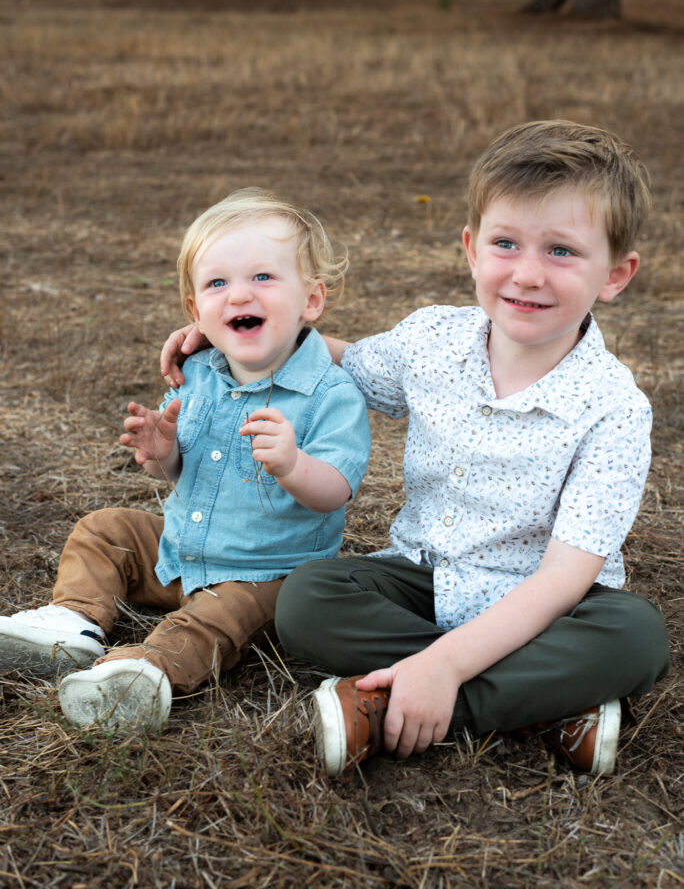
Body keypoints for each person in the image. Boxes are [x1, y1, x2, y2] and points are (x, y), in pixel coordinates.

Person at [160, 122, 670, 778]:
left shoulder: (615, 409)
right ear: (470, 248)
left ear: (616, 274)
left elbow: (563, 579)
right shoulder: (433, 341)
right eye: (505, 243)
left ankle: (389, 706)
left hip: (554, 609)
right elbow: (337, 361)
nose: (527, 274)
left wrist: (443, 666)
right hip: (426, 581)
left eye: (563, 251)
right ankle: (546, 704)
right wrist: (233, 339)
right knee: (309, 599)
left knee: (636, 637)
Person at [0, 189, 370, 733]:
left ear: (311, 300)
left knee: (208, 622)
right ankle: (75, 621)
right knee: (104, 530)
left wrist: (293, 465)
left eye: (263, 278)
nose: (238, 294)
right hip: (179, 552)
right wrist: (165, 454)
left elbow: (336, 489)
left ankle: (141, 674)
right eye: (218, 283)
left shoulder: (330, 393)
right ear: (197, 311)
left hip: (265, 576)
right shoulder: (200, 374)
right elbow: (187, 471)